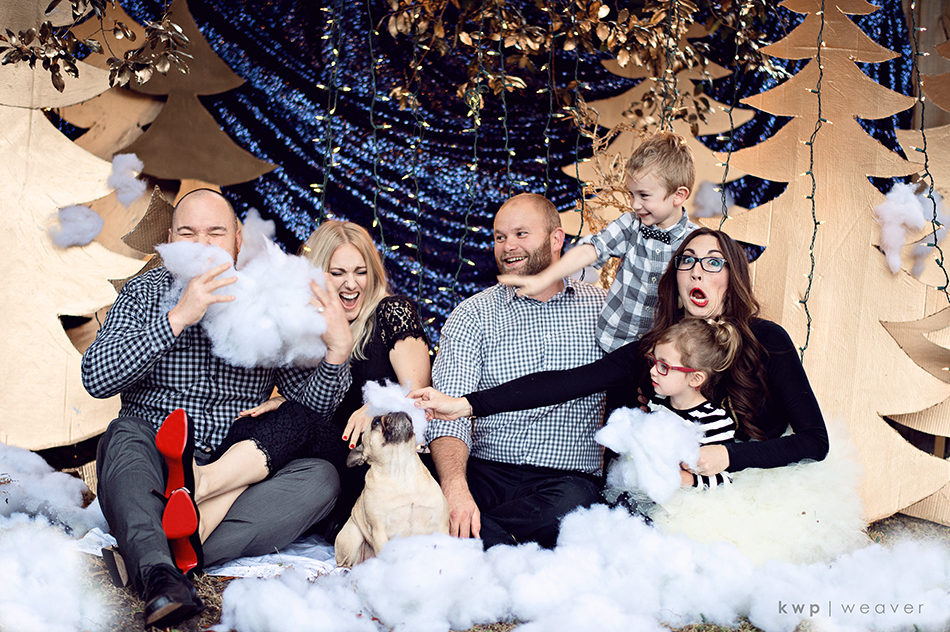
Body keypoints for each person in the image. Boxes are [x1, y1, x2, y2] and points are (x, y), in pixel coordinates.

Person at [82, 190, 354, 628]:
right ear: (169, 239)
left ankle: (151, 558)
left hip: (235, 472)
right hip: (154, 461)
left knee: (321, 477)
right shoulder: (145, 293)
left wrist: (337, 354)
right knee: (124, 434)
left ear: (237, 239)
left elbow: (306, 413)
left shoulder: (266, 295)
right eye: (188, 234)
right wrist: (178, 317)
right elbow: (97, 378)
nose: (203, 246)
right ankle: (162, 569)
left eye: (215, 233)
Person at [412, 227, 829, 485]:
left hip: (754, 486)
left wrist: (728, 456)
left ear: (733, 276)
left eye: (713, 263)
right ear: (676, 278)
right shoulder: (654, 350)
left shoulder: (767, 339)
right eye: (687, 261)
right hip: (678, 488)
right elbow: (566, 382)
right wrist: (464, 404)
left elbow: (815, 441)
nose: (697, 270)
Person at [198, 220, 431, 542]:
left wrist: (379, 408)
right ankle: (197, 527)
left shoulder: (392, 312)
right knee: (254, 421)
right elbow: (312, 414)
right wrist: (285, 402)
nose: (351, 284)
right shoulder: (305, 330)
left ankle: (200, 483)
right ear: (316, 276)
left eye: (360, 272)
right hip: (334, 458)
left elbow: (419, 394)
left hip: (381, 460)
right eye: (337, 273)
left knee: (290, 416)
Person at [424, 192, 608, 549]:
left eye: (521, 234)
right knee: (419, 490)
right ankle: (494, 540)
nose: (508, 246)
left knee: (574, 512)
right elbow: (447, 415)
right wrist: (456, 490)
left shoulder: (602, 308)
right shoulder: (472, 315)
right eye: (500, 237)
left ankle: (478, 539)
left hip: (565, 481)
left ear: (556, 239)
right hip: (485, 471)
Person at [499, 131, 698, 353]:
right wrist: (545, 277)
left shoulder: (697, 241)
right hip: (616, 343)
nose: (634, 204)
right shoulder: (630, 225)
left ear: (679, 195)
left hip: (663, 351)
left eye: (644, 195)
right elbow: (589, 250)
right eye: (631, 194)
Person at [643, 317, 741, 489]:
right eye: (654, 361)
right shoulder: (657, 403)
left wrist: (687, 480)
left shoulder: (713, 421)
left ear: (695, 378)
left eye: (664, 366)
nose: (653, 371)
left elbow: (726, 480)